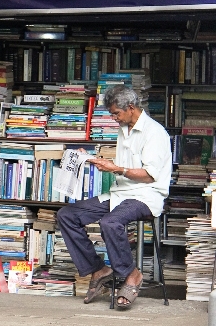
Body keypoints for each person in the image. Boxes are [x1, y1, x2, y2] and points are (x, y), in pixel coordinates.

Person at [56, 85, 172, 308]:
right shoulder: (124, 127)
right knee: (67, 215)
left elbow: (149, 176)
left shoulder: (154, 133)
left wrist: (116, 169)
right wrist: (90, 159)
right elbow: (121, 167)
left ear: (131, 108)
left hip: (146, 195)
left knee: (110, 222)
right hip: (120, 193)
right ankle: (98, 269)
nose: (113, 118)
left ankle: (132, 274)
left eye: (116, 113)